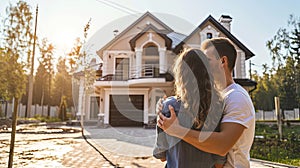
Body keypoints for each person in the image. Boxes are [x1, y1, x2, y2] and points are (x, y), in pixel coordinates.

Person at [157, 37, 255, 168]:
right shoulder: (216, 99)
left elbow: (221, 146)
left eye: (206, 60)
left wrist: (178, 130)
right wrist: (168, 104)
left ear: (223, 61)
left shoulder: (236, 97)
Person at [153, 49, 226, 168]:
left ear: (181, 75)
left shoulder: (169, 107)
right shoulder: (218, 105)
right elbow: (219, 161)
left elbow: (161, 155)